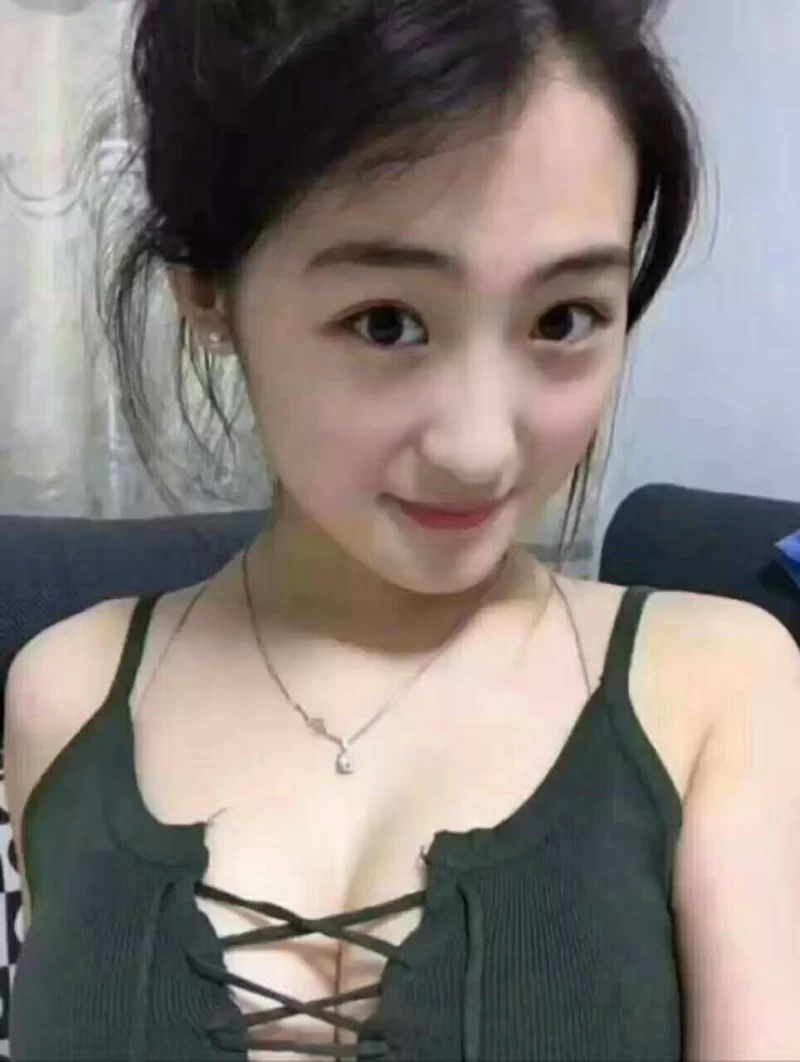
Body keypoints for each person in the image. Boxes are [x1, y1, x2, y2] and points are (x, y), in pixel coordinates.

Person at [5, 1, 800, 1059]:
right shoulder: (64, 695)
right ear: (208, 290)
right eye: (386, 323)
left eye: (563, 319)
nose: (479, 448)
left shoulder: (718, 687)